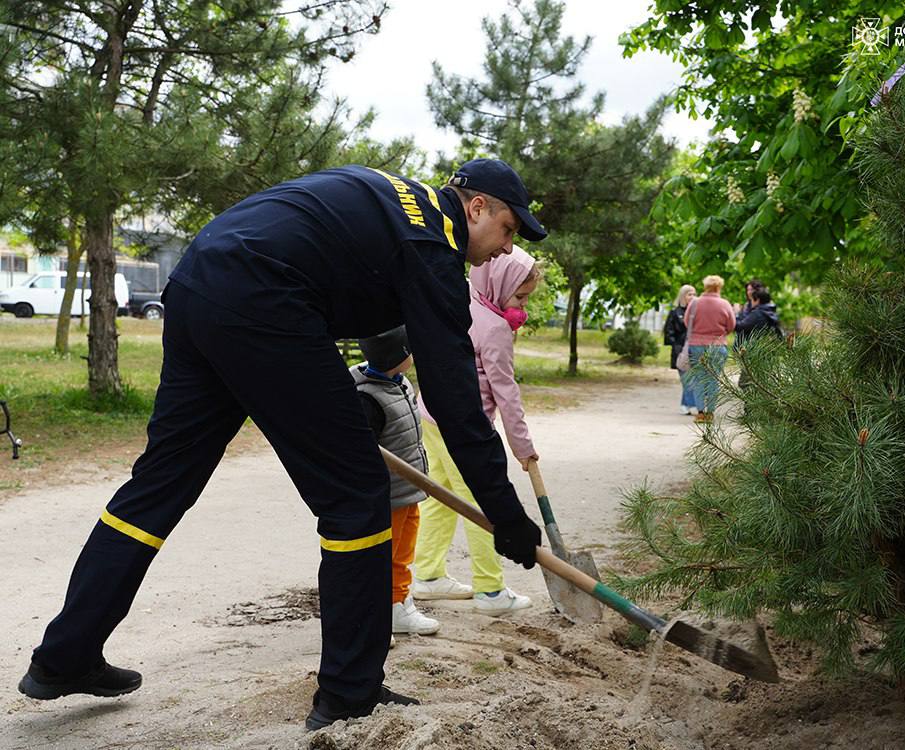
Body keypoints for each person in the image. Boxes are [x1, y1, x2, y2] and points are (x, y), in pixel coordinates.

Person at [17, 158, 547, 731]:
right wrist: (506, 513)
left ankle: (64, 656)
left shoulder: (390, 197)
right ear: (475, 207)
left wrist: (336, 410)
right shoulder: (432, 246)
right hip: (264, 299)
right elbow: (455, 403)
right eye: (508, 230)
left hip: (200, 283)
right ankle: (349, 694)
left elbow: (360, 299)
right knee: (357, 497)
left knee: (160, 483)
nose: (504, 248)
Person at [412, 246, 539, 615]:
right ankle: (490, 589)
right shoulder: (496, 328)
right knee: (481, 503)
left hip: (431, 414)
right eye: (520, 296)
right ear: (498, 284)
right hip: (463, 428)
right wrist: (522, 445)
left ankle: (429, 575)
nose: (522, 306)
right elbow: (506, 391)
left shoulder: (461, 298)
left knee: (443, 496)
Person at [352, 326, 438, 639]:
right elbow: (365, 454)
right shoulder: (368, 397)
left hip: (408, 491)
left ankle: (398, 605)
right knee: (383, 557)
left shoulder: (398, 383)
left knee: (403, 553)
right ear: (399, 356)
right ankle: (377, 617)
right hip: (388, 496)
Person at [685, 275, 736, 423]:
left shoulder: (695, 303)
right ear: (719, 287)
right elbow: (731, 325)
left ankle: (700, 413)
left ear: (705, 286)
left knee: (700, 378)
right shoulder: (725, 304)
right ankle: (710, 413)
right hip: (718, 345)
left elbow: (687, 322)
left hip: (696, 345)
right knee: (713, 379)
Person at [665, 284, 698, 415]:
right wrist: (676, 346)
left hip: (695, 349)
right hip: (680, 351)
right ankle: (691, 405)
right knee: (686, 379)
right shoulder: (675, 313)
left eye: (695, 294)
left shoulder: (698, 312)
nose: (693, 297)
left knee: (693, 379)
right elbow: (668, 333)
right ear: (683, 296)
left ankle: (685, 404)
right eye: (690, 294)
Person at [734, 278, 764, 348]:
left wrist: (737, 313)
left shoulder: (760, 308)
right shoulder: (747, 305)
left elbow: (743, 325)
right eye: (748, 290)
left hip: (753, 344)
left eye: (751, 290)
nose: (749, 292)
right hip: (742, 343)